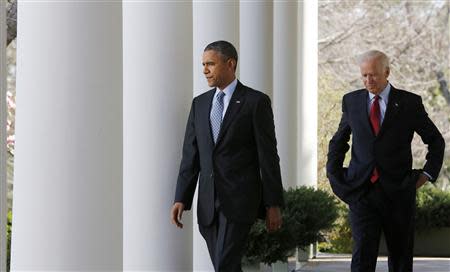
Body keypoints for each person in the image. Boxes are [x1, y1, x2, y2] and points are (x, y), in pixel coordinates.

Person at [170, 40, 284, 272]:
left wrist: (273, 203)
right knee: (228, 267)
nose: (205, 70)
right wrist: (181, 197)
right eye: (203, 64)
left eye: (210, 64)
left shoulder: (255, 102)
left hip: (240, 203)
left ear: (230, 64)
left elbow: (268, 156)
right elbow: (190, 156)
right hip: (207, 204)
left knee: (224, 265)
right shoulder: (199, 104)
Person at [327, 50, 445, 272]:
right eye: (364, 76)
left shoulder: (409, 103)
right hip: (361, 192)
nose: (368, 81)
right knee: (362, 257)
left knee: (400, 258)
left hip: (398, 192)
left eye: (373, 75)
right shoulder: (351, 101)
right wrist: (335, 176)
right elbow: (338, 142)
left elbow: (436, 141)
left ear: (387, 72)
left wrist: (426, 174)